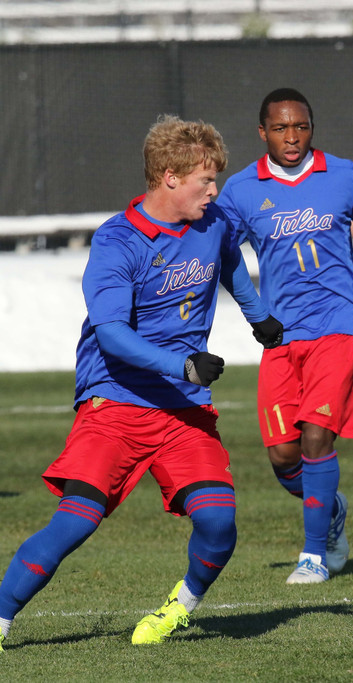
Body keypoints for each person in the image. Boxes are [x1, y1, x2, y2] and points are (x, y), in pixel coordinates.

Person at [0, 115, 284, 651]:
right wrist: (183, 365)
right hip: (116, 402)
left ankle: (180, 607)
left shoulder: (214, 221)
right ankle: (1, 616)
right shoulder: (118, 241)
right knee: (76, 522)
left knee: (220, 522)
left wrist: (256, 313)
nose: (215, 190)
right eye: (206, 180)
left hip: (183, 408)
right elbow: (111, 336)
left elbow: (230, 264)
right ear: (171, 178)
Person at [218, 88, 353, 584]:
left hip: (339, 325)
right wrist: (257, 315)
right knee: (283, 457)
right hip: (280, 335)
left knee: (317, 436)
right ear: (263, 133)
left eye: (300, 126)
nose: (291, 137)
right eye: (280, 128)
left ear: (311, 127)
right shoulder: (240, 190)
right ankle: (332, 509)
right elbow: (222, 257)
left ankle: (313, 554)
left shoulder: (342, 175)